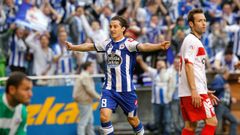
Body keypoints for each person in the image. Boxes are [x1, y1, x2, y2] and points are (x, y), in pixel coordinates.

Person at [65, 15, 170, 135]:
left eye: (115, 26)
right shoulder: (107, 44)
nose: (112, 29)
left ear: (123, 29)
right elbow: (90, 46)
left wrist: (158, 46)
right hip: (109, 89)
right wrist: (73, 47)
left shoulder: (128, 43)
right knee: (104, 117)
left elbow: (143, 46)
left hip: (127, 91)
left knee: (133, 120)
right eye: (110, 26)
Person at [178, 9, 219, 135]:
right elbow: (189, 65)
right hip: (194, 91)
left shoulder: (191, 40)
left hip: (187, 91)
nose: (204, 23)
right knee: (212, 122)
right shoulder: (192, 41)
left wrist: (203, 89)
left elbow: (193, 68)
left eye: (205, 20)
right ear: (191, 24)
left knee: (191, 125)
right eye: (200, 21)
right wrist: (195, 90)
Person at [136, 56, 173, 134]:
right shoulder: (154, 73)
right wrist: (140, 61)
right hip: (156, 102)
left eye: (162, 65)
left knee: (167, 120)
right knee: (157, 120)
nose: (160, 66)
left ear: (165, 65)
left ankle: (167, 133)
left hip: (167, 101)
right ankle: (160, 132)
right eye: (158, 65)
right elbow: (146, 68)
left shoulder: (169, 72)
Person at [72, 62, 101, 135]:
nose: (93, 69)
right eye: (92, 67)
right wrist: (99, 97)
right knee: (83, 122)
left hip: (86, 101)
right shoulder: (85, 76)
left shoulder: (85, 75)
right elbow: (89, 89)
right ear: (88, 67)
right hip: (84, 101)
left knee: (90, 121)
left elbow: (89, 89)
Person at [210, 68, 238, 135]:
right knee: (216, 124)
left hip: (225, 107)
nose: (229, 74)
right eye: (228, 72)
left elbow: (226, 94)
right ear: (225, 73)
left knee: (234, 121)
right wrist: (223, 87)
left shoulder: (225, 81)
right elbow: (212, 88)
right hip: (220, 105)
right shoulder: (218, 79)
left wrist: (231, 99)